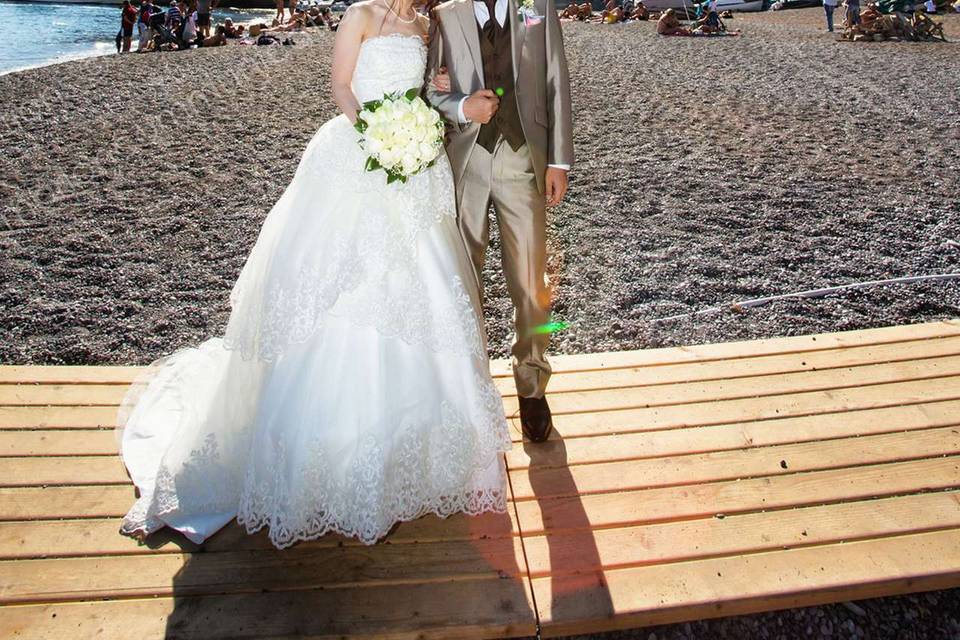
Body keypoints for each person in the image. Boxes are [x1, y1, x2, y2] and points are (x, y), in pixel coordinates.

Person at [117, 0, 512, 550]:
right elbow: (343, 87)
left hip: (415, 166)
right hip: (358, 156)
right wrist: (378, 134)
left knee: (423, 287)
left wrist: (425, 108)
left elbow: (428, 91)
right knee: (333, 291)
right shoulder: (361, 15)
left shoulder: (429, 24)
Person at [425, 0, 573, 443]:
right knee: (463, 279)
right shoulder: (446, 15)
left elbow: (556, 81)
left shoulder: (538, 8)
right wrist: (460, 106)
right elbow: (428, 92)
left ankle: (531, 382)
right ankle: (471, 386)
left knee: (531, 280)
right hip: (464, 164)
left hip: (523, 160)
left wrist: (559, 161)